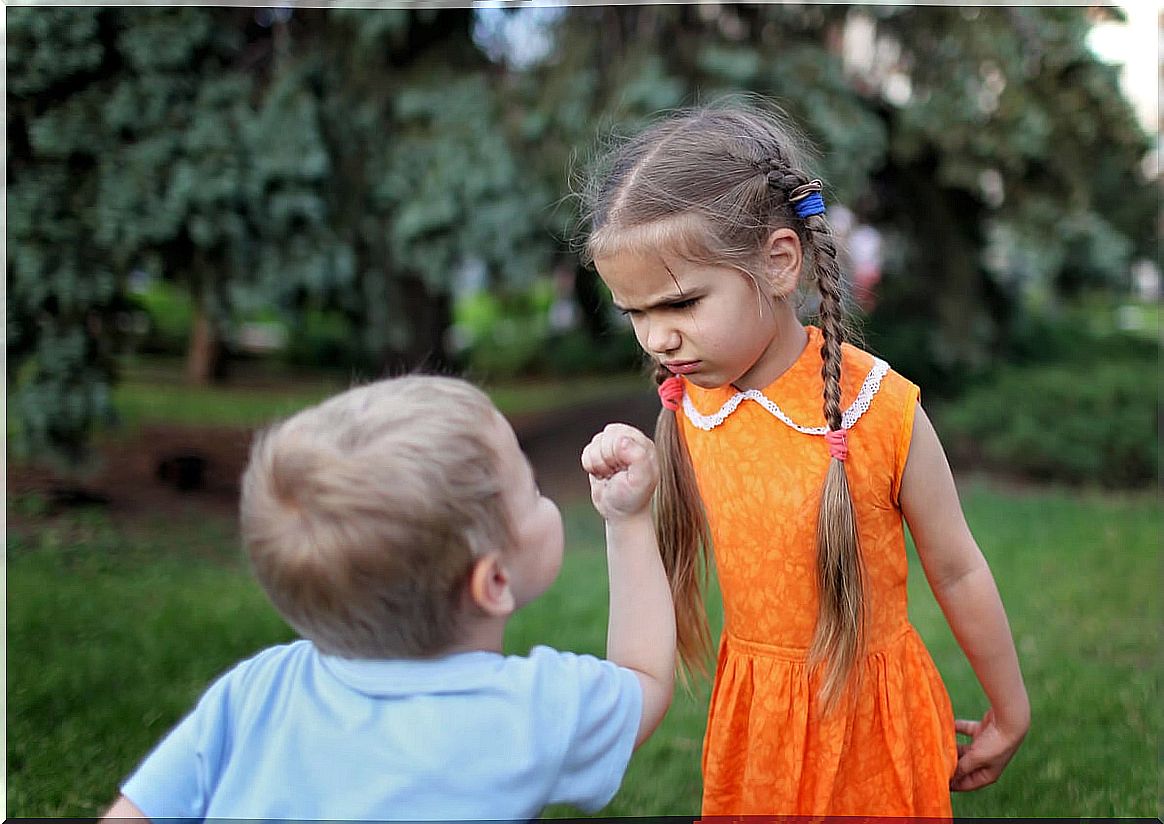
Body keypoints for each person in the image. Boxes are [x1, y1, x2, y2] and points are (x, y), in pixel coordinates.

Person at [579, 102, 1029, 817]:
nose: (657, 338)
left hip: (871, 722)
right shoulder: (692, 406)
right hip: (757, 723)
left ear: (779, 263)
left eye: (682, 303)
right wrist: (625, 510)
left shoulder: (878, 408)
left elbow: (957, 566)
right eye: (635, 313)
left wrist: (1008, 710)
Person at [100, 375, 674, 821]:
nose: (543, 492)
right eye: (529, 485)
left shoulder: (257, 688)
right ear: (493, 582)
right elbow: (644, 678)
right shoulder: (533, 710)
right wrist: (627, 522)